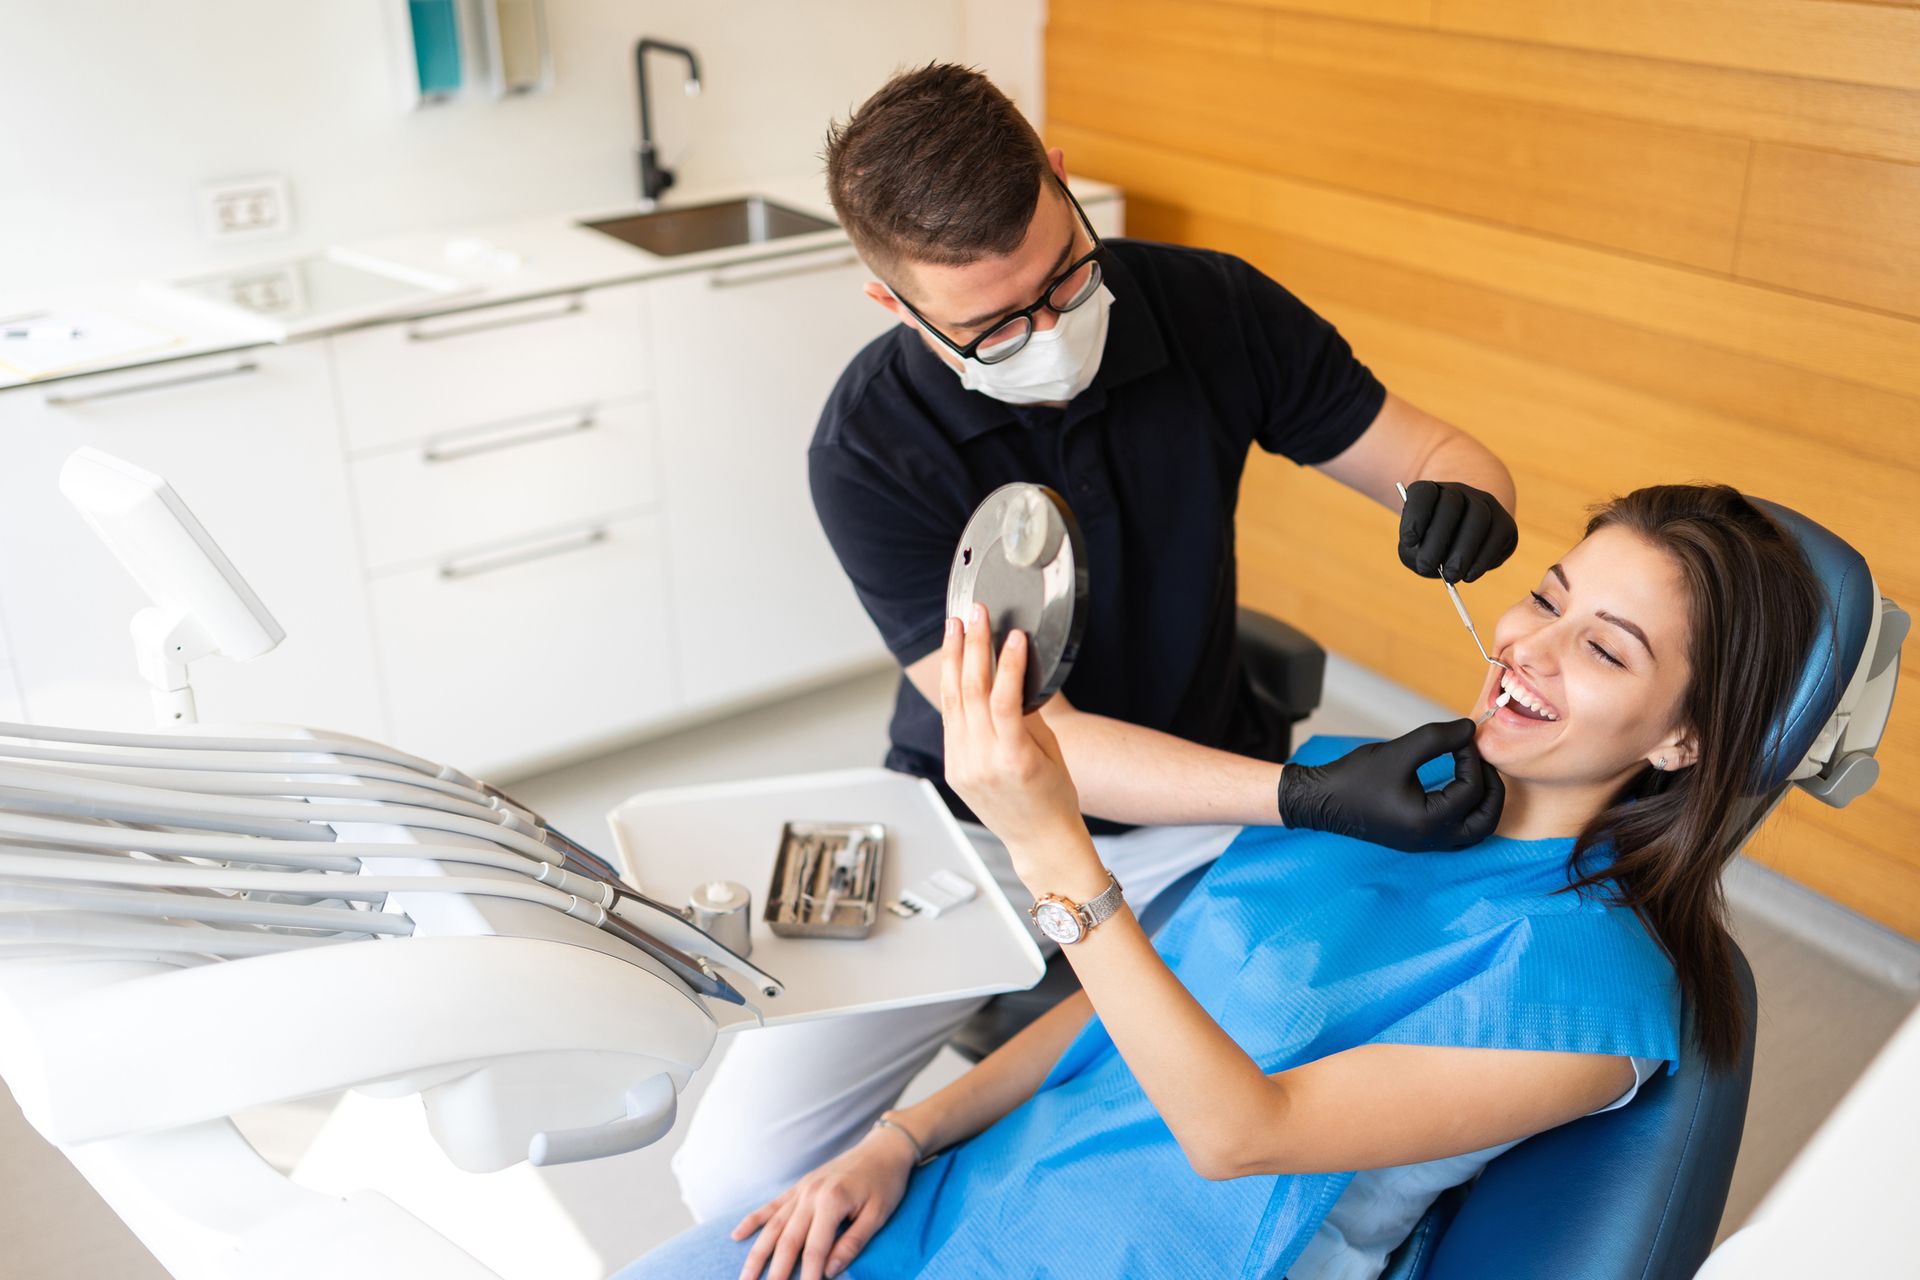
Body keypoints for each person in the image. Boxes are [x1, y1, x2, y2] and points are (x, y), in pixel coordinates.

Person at [674, 61, 1520, 1218]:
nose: (1047, 333)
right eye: (993, 325)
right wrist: (1308, 794)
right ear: (897, 307)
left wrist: (1466, 492)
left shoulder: (1213, 307)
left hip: (1196, 822)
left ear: (1063, 187)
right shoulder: (868, 448)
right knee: (730, 1173)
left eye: (1064, 279)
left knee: (1200, 1120)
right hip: (968, 825)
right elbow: (1044, 748)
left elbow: (1439, 454)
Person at [618, 484, 1826, 1280]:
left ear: (1683, 739)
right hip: (984, 1197)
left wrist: (1051, 845)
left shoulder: (1592, 990)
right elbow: (1135, 999)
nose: (1530, 648)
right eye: (1548, 598)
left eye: (1605, 649)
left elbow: (1243, 1136)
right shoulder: (1365, 781)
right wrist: (901, 1133)